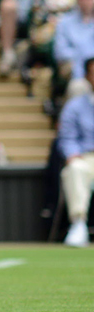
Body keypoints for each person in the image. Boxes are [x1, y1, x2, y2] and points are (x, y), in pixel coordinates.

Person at [58, 85, 94, 246]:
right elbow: (67, 138)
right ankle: (78, 223)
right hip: (85, 156)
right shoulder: (74, 106)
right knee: (75, 168)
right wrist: (72, 154)